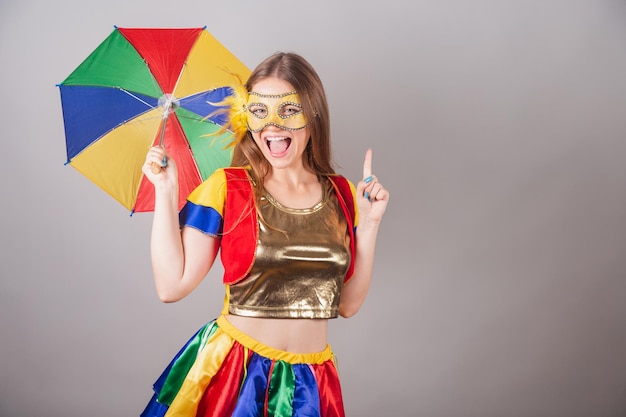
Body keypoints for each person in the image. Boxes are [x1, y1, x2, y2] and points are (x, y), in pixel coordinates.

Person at [140, 52, 389, 417]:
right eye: (259, 111)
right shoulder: (228, 188)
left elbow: (347, 305)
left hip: (311, 382)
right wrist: (165, 189)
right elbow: (171, 287)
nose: (272, 126)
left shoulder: (343, 195)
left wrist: (368, 224)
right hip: (235, 375)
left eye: (288, 111)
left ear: (313, 114)